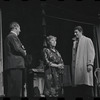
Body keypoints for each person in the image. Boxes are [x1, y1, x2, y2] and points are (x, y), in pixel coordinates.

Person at [71, 26, 95, 99]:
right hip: (77, 67)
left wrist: (90, 64)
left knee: (86, 85)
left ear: (81, 31)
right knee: (79, 87)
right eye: (74, 32)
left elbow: (91, 52)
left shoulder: (87, 40)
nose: (75, 34)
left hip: (85, 66)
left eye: (76, 32)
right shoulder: (75, 42)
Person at [4, 22, 27, 97]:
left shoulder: (10, 37)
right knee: (15, 89)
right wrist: (24, 51)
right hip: (15, 65)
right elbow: (17, 48)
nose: (20, 31)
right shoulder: (12, 36)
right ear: (15, 27)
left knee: (15, 88)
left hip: (14, 65)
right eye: (19, 28)